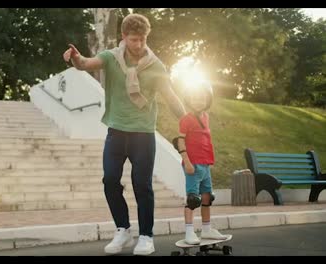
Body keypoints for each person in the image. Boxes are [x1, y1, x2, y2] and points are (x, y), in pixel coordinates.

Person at [63, 13, 186, 255]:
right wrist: (75, 59)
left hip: (143, 134)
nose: (138, 45)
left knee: (142, 185)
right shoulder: (110, 58)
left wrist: (190, 123)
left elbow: (171, 98)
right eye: (133, 40)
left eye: (142, 40)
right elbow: (87, 64)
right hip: (116, 131)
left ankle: (146, 236)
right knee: (110, 180)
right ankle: (123, 229)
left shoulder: (156, 66)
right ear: (124, 37)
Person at [174, 80, 227, 245]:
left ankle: (206, 229)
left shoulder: (206, 117)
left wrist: (209, 161)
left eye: (202, 98)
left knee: (206, 198)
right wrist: (187, 162)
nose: (198, 101)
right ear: (189, 99)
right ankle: (189, 232)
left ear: (207, 99)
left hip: (205, 165)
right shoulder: (186, 119)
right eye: (195, 97)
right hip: (193, 165)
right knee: (193, 199)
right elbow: (180, 141)